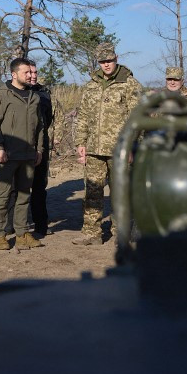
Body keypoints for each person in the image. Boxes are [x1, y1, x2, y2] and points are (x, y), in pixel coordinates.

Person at [72, 42, 141, 246]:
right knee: (92, 191)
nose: (106, 65)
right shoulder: (91, 85)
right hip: (94, 149)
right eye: (102, 61)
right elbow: (83, 115)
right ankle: (91, 234)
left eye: (109, 60)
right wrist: (80, 142)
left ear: (116, 58)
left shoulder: (130, 84)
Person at [0, 58, 45, 251]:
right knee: (2, 196)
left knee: (24, 196)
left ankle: (22, 234)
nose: (30, 75)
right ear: (14, 74)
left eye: (31, 72)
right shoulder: (1, 95)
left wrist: (39, 149)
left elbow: (40, 127)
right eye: (26, 72)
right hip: (8, 155)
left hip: (28, 155)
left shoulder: (34, 97)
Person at [28, 62, 54, 238]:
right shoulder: (9, 93)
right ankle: (13, 226)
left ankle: (40, 224)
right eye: (29, 72)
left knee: (39, 187)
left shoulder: (44, 95)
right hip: (18, 146)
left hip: (40, 146)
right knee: (15, 189)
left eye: (35, 72)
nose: (33, 75)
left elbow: (48, 119)